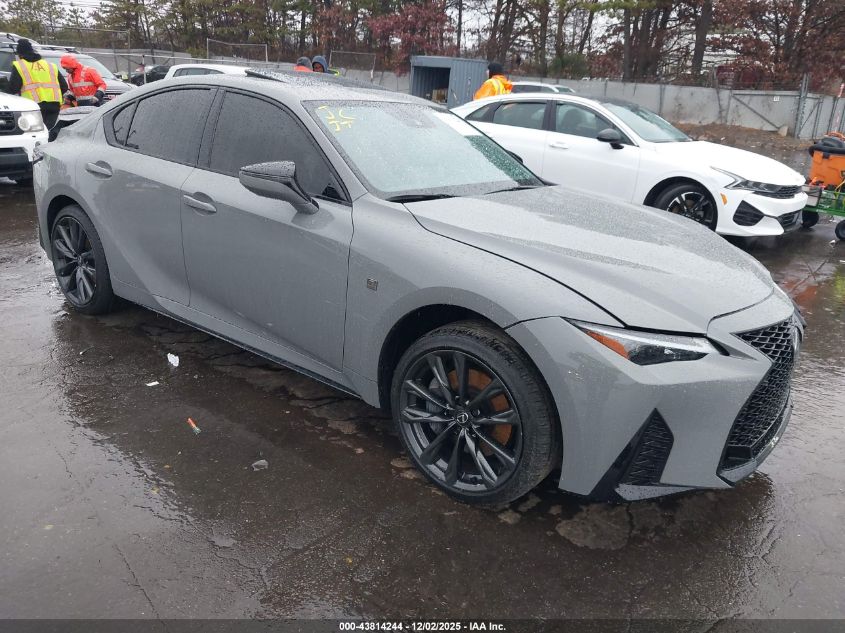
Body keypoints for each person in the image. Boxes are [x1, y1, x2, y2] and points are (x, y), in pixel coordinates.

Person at [6, 39, 67, 133]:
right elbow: (64, 86)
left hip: (32, 107)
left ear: (20, 54)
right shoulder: (50, 65)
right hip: (54, 105)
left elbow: (13, 88)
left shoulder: (20, 65)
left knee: (35, 134)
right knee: (49, 133)